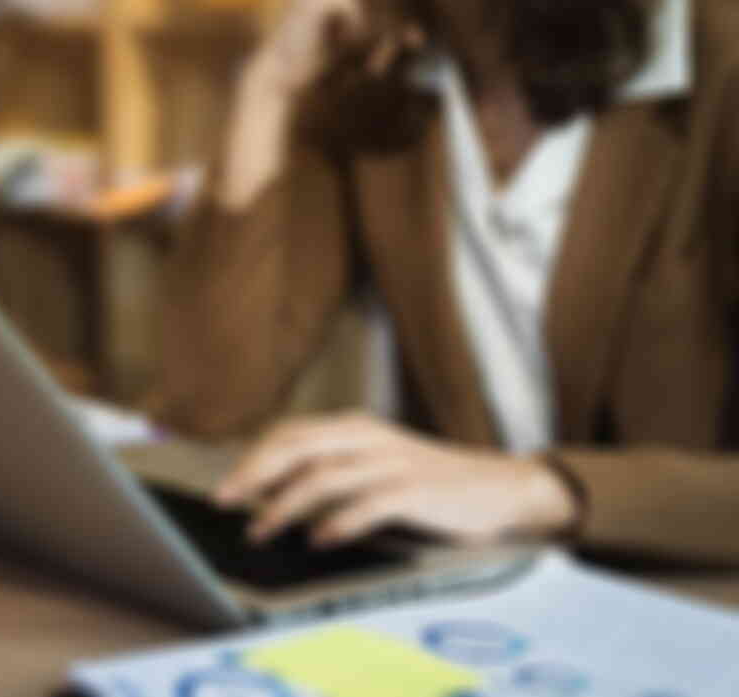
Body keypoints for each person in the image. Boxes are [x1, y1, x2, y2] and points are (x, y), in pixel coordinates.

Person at [149, 0, 739, 564]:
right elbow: (207, 402)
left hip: (697, 613)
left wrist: (542, 489)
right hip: (476, 599)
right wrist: (270, 83)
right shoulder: (386, 72)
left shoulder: (717, 61)